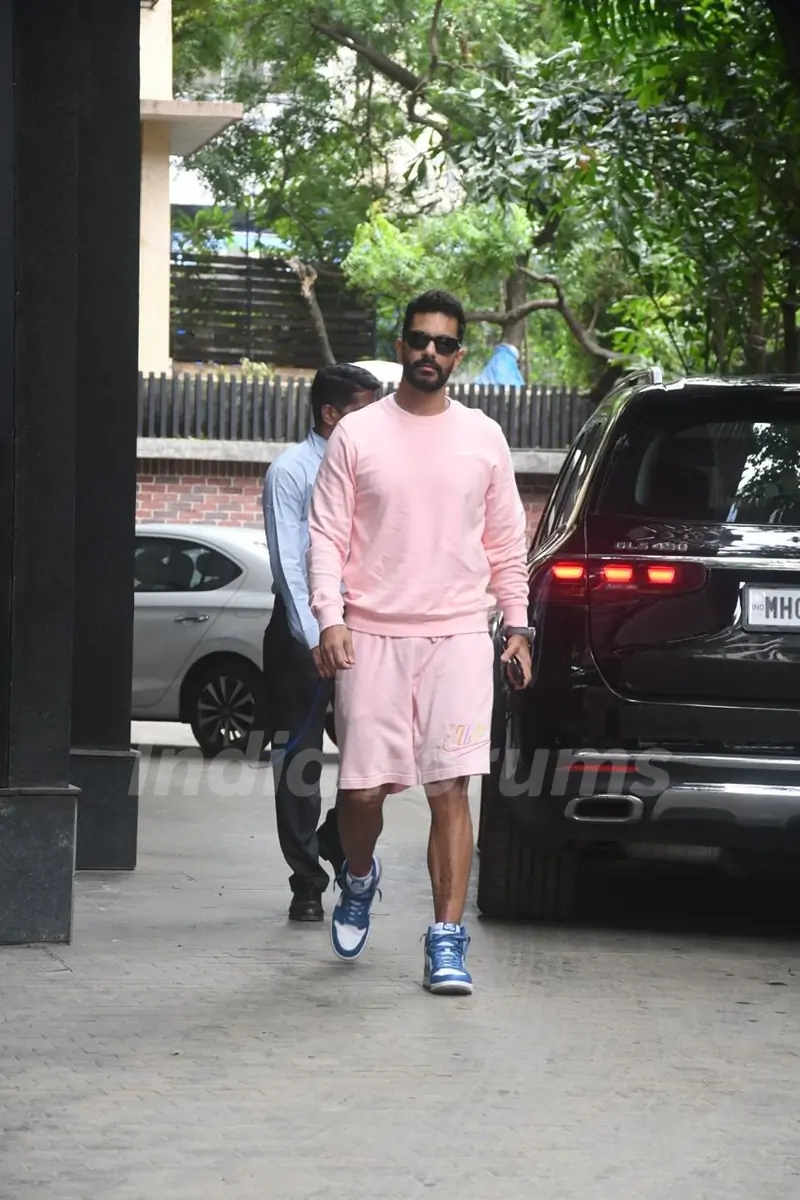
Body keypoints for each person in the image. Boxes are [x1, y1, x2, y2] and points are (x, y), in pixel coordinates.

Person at [307, 290, 533, 994]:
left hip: (461, 635)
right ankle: (359, 874)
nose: (430, 353)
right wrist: (330, 617)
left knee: (449, 788)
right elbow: (325, 536)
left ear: (458, 355)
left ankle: (445, 939)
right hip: (371, 635)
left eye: (443, 343)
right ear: (401, 345)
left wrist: (517, 625)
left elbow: (506, 542)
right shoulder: (357, 435)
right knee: (363, 792)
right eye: (418, 340)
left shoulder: (483, 437)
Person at [262, 362, 380, 922]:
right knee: (300, 766)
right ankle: (307, 881)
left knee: (381, 758)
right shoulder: (291, 471)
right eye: (363, 409)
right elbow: (290, 563)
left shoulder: (373, 469)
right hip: (301, 638)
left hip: (364, 631)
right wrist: (314, 638)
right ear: (330, 413)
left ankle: (335, 840)